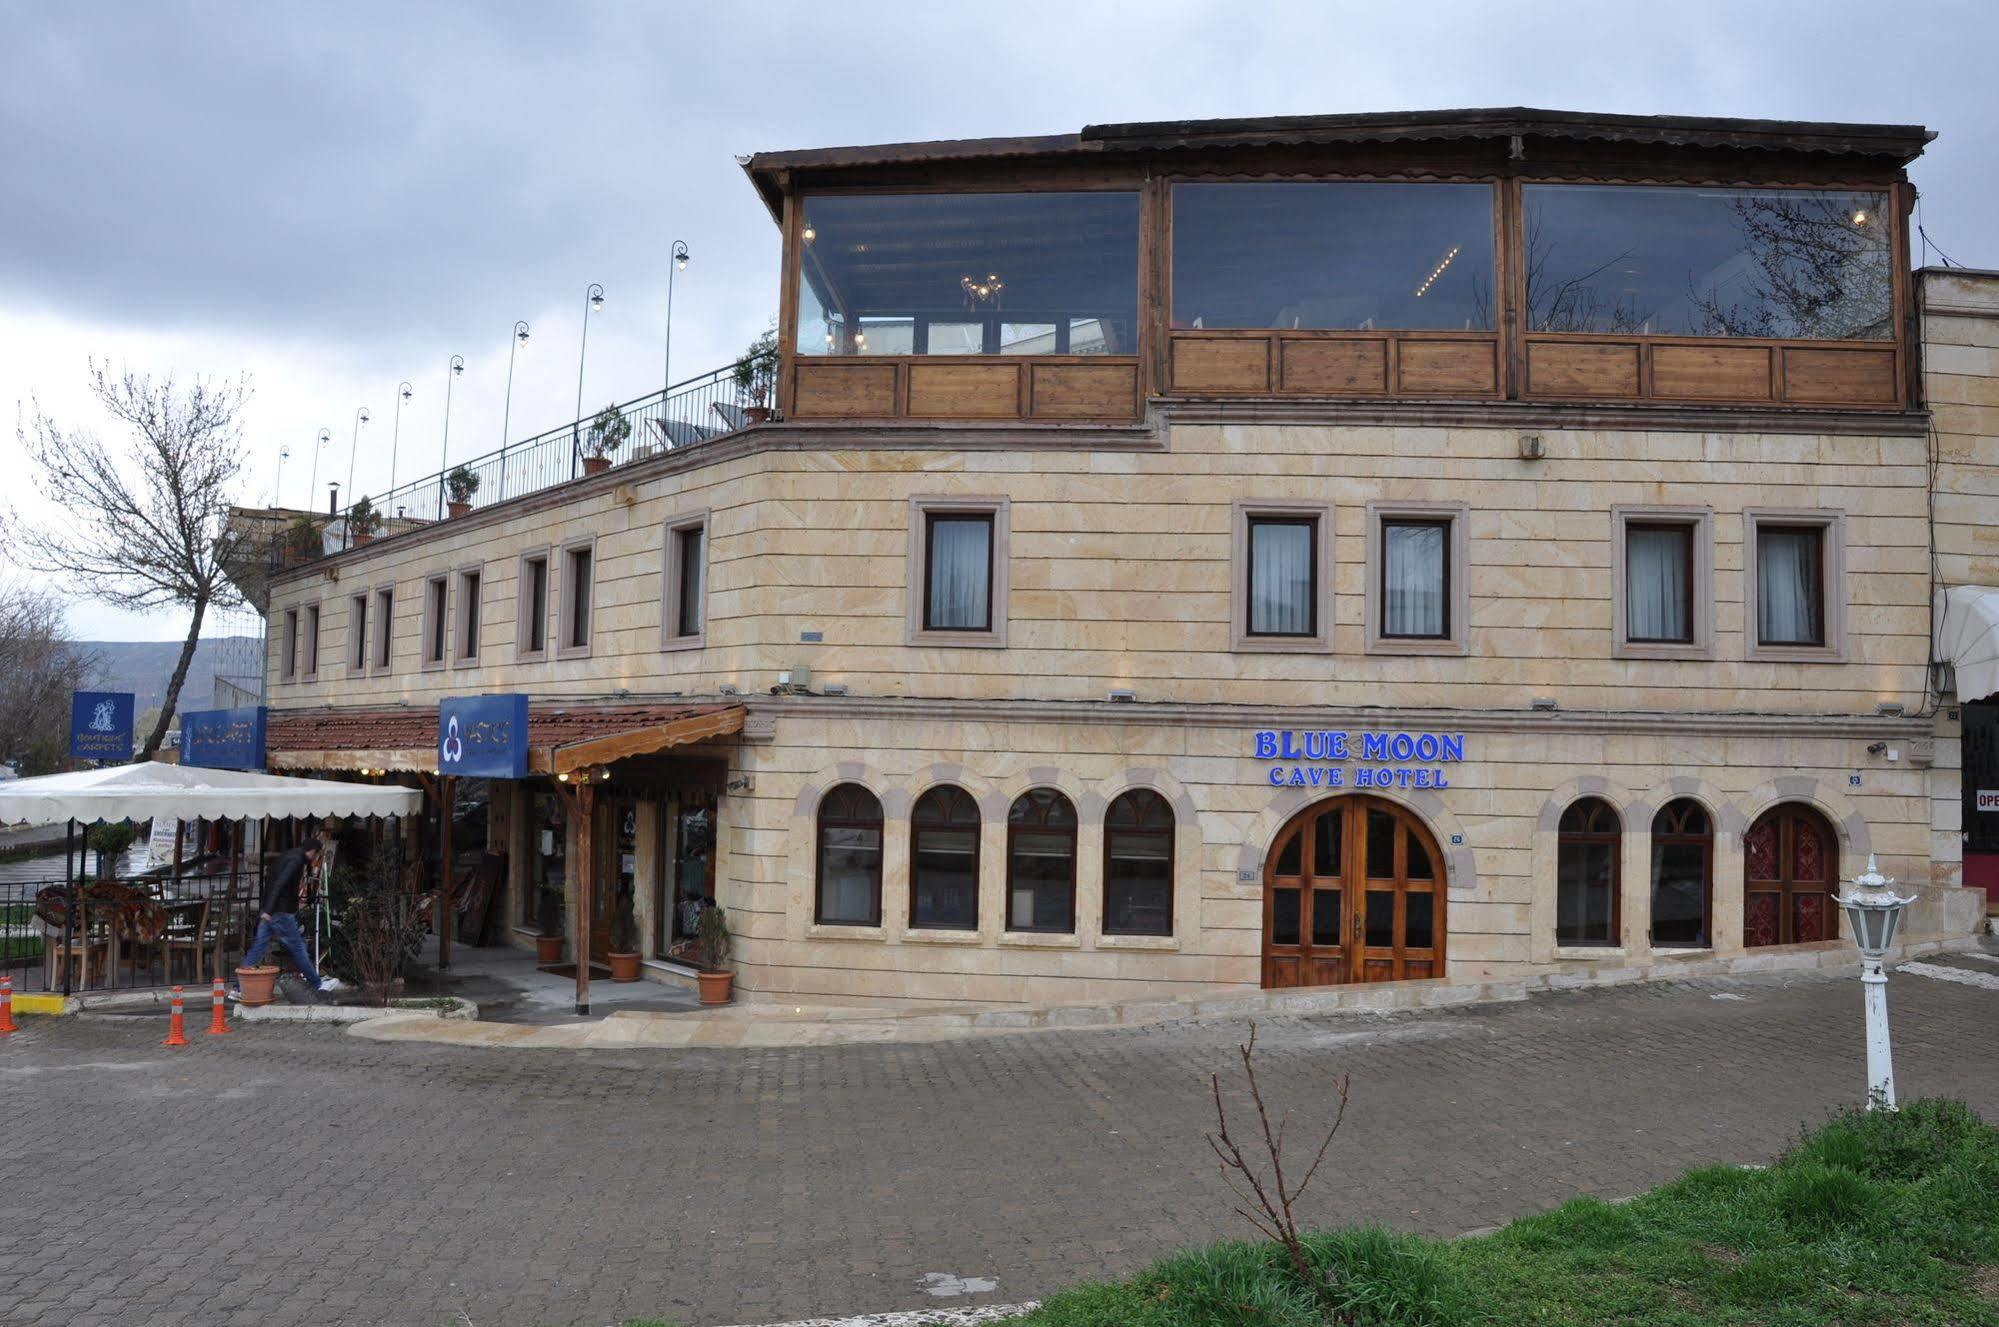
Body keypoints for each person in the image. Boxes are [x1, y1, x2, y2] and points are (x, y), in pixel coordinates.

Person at [229, 836, 345, 999]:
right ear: (312, 851)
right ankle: (317, 983)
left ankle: (238, 988)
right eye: (317, 854)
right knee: (297, 947)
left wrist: (267, 909)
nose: (316, 858)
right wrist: (269, 910)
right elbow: (280, 884)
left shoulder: (288, 855)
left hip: (271, 910)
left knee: (258, 949)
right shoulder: (296, 861)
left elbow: (273, 881)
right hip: (280, 912)